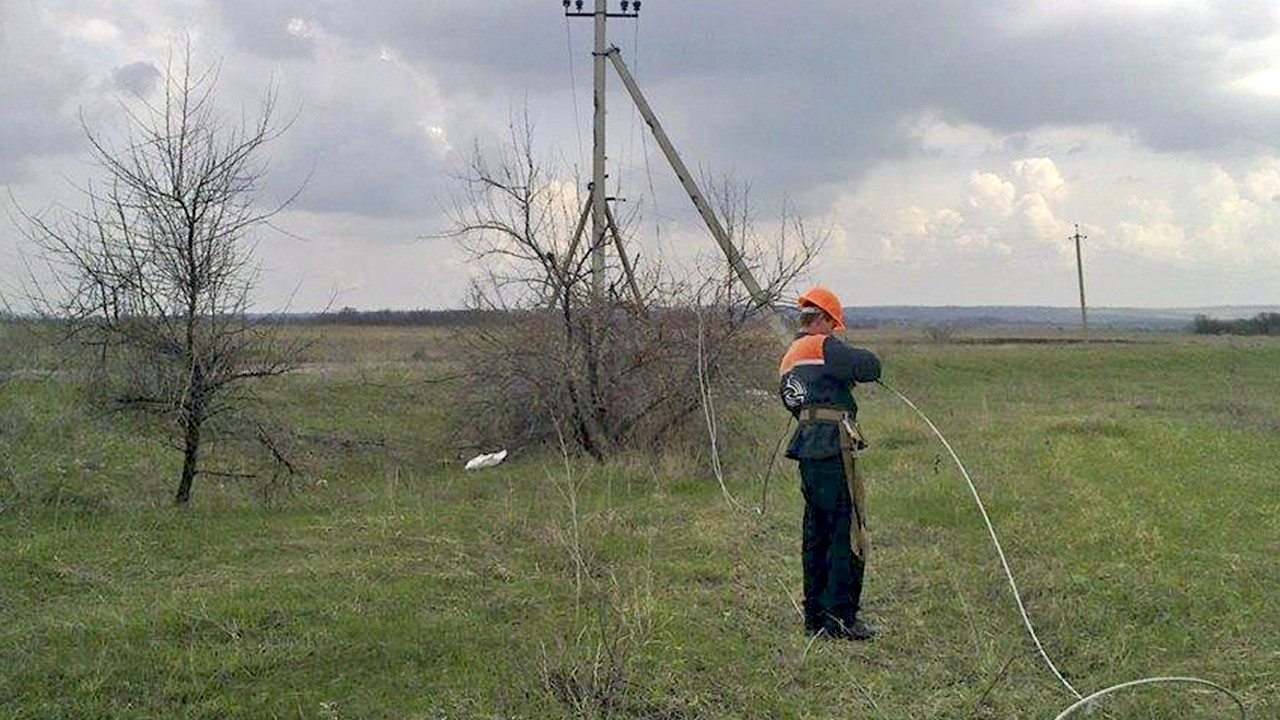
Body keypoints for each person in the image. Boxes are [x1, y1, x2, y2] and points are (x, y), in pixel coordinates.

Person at [778, 285, 882, 640]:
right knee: (844, 529)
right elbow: (868, 366)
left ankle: (815, 616)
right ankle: (840, 618)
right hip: (832, 445)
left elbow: (793, 403)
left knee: (816, 532)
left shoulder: (790, 356)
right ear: (821, 320)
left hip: (807, 446)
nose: (834, 331)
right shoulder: (822, 346)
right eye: (832, 324)